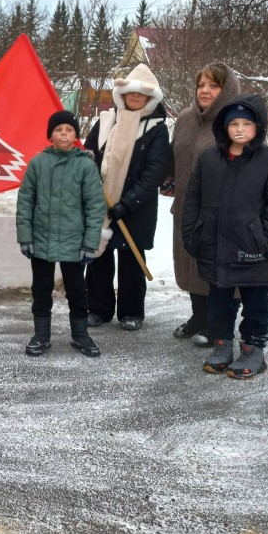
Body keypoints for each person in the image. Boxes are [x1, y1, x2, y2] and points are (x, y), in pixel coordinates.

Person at [182, 95, 268, 379]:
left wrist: (264, 238)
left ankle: (253, 349)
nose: (240, 129)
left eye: (247, 123)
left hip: (253, 249)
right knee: (218, 301)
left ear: (259, 127)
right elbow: (192, 199)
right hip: (215, 247)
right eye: (234, 123)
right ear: (224, 127)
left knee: (255, 302)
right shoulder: (209, 158)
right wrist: (194, 234)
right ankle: (222, 345)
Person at [84, 63, 170, 332]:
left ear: (149, 98)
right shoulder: (106, 120)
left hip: (136, 207)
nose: (135, 97)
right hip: (102, 202)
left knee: (132, 259)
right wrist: (87, 166)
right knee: (99, 257)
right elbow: (87, 154)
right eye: (131, 92)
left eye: (141, 94)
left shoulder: (157, 129)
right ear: (122, 94)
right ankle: (98, 308)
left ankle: (131, 312)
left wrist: (127, 203)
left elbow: (154, 172)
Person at [16, 110, 107, 357]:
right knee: (41, 289)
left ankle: (80, 335)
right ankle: (41, 335)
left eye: (68, 129)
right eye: (58, 130)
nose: (63, 133)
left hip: (74, 242)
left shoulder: (85, 166)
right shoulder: (38, 163)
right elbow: (25, 202)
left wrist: (90, 243)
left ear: (76, 135)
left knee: (77, 290)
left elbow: (95, 206)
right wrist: (25, 236)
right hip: (41, 241)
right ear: (50, 135)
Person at [162, 62, 241, 346]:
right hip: (186, 209)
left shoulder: (236, 122)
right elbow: (175, 155)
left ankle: (218, 324)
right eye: (201, 85)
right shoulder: (185, 118)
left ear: (227, 89)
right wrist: (169, 177)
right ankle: (199, 317)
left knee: (218, 271)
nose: (205, 91)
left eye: (214, 85)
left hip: (221, 213)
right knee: (190, 266)